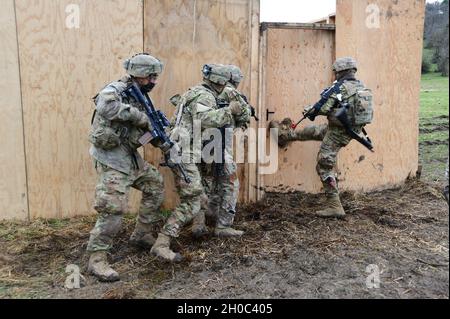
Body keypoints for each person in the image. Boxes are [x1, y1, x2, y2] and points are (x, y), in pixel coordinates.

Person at [150, 64, 248, 262]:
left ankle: (163, 239)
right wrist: (230, 110)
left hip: (184, 152)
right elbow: (206, 119)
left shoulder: (195, 92)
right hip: (183, 153)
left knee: (196, 197)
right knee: (195, 199)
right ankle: (161, 243)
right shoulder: (205, 96)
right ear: (221, 82)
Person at [86, 53, 167, 281]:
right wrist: (138, 116)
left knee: (155, 185)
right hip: (111, 157)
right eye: (151, 77)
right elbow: (106, 107)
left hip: (129, 156)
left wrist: (157, 138)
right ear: (140, 75)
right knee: (113, 208)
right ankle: (97, 259)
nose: (154, 81)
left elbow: (141, 134)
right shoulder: (116, 90)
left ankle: (141, 234)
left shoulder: (142, 95)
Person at [270, 57, 373, 218]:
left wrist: (309, 110)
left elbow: (324, 108)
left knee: (324, 165)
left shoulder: (341, 88)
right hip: (349, 129)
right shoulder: (360, 86)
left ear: (340, 72)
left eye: (336, 72)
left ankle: (335, 206)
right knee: (314, 131)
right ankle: (285, 135)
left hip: (338, 132)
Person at [191, 65, 251, 238]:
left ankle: (201, 221)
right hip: (218, 143)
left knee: (205, 182)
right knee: (230, 183)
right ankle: (223, 225)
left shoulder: (202, 92)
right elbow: (244, 115)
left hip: (201, 144)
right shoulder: (230, 92)